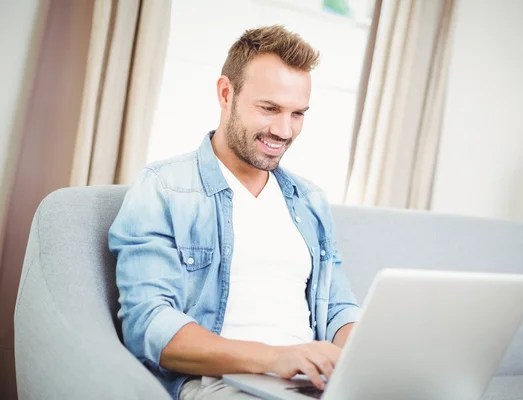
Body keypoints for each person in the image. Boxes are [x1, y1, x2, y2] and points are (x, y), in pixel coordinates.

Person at [109, 25, 360, 400]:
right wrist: (275, 358)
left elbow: (338, 306)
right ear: (226, 94)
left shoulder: (310, 200)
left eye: (298, 114)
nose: (284, 130)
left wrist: (365, 356)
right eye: (269, 108)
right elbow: (149, 324)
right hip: (224, 384)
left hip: (312, 385)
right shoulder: (165, 188)